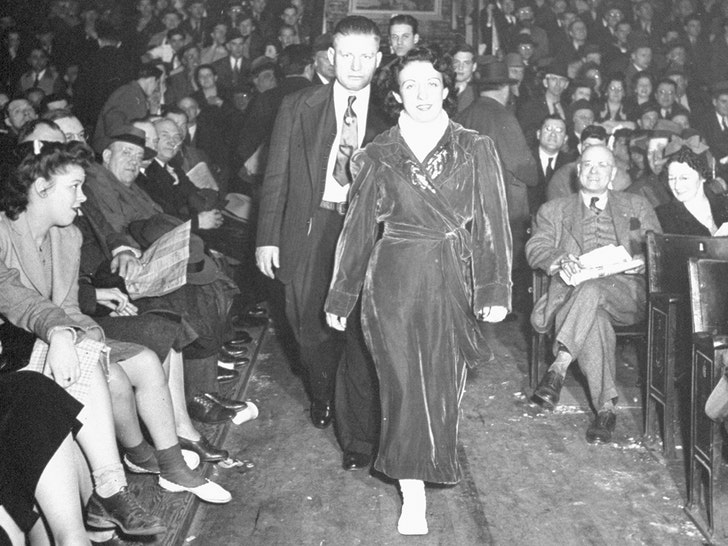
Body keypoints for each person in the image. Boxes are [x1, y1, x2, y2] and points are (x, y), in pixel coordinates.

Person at [325, 46, 512, 536]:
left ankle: (427, 464)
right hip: (394, 283)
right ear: (395, 94)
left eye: (432, 83)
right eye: (410, 85)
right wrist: (341, 296)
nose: (423, 94)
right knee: (405, 388)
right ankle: (412, 492)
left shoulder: (477, 147)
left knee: (444, 389)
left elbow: (494, 222)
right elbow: (358, 230)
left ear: (448, 88)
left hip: (453, 276)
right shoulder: (377, 154)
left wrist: (494, 287)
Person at [0, 139, 232, 504]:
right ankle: (140, 457)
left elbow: (68, 306)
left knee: (146, 360)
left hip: (60, 334)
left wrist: (88, 337)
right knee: (118, 377)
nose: (82, 198)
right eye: (74, 187)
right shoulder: (2, 232)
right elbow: (14, 298)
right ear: (40, 188)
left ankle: (172, 465)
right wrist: (71, 335)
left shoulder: (69, 236)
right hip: (19, 349)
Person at [256, 15, 391, 471]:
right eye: (345, 55)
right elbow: (275, 175)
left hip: (366, 231)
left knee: (358, 331)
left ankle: (357, 436)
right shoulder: (299, 105)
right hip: (312, 227)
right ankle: (322, 388)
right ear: (331, 57)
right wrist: (267, 238)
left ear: (378, 58)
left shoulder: (391, 112)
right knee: (308, 325)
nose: (355, 65)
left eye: (365, 56)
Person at [528, 144, 661, 444]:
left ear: (613, 173)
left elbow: (657, 246)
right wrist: (561, 259)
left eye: (602, 165)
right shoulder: (554, 210)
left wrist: (644, 260)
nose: (594, 171)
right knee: (595, 318)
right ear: (578, 172)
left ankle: (559, 366)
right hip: (573, 295)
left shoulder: (636, 205)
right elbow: (536, 248)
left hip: (626, 292)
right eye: (588, 164)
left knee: (594, 290)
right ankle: (606, 409)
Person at [656, 135, 728, 235]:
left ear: (703, 176)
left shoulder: (724, 204)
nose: (676, 186)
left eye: (684, 178)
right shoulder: (663, 216)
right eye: (671, 178)